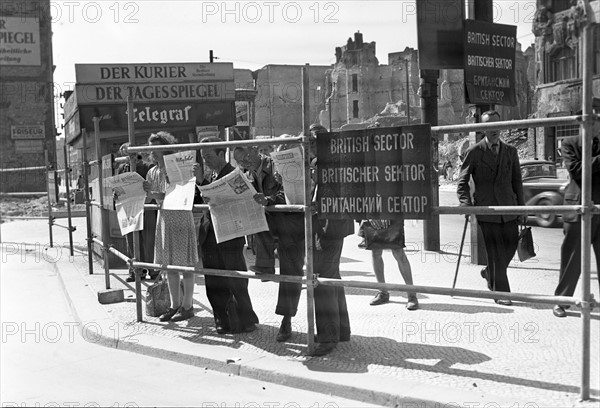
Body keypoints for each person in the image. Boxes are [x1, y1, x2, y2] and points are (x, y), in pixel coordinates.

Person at [234, 145, 305, 342]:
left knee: (291, 273)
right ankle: (265, 264)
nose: (245, 163)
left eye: (247, 156)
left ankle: (286, 319)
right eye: (240, 161)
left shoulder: (275, 165)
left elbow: (292, 192)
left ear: (256, 149)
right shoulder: (249, 173)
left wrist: (269, 200)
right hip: (270, 226)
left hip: (291, 225)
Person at [457, 110, 526, 306]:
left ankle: (489, 272)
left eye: (497, 125)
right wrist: (466, 206)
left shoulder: (511, 151)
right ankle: (502, 294)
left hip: (508, 209)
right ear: (483, 129)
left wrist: (521, 210)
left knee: (511, 246)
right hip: (487, 211)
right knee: (495, 252)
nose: (494, 129)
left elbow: (517, 182)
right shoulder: (475, 152)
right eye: (489, 126)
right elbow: (462, 182)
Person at [199, 136, 259, 334]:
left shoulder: (232, 174)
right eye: (202, 156)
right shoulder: (213, 176)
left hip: (230, 234)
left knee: (236, 278)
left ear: (221, 153)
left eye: (208, 156)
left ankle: (246, 318)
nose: (205, 160)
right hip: (209, 233)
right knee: (213, 280)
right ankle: (222, 319)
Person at [142, 132, 202, 322]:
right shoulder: (152, 171)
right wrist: (142, 190)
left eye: (157, 147)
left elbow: (176, 193)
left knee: (185, 265)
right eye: (152, 148)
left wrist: (153, 193)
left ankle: (187, 305)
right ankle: (174, 305)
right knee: (169, 266)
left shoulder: (176, 166)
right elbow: (151, 197)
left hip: (180, 215)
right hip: (165, 217)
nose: (154, 152)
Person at [309, 124, 353, 356]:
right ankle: (341, 330)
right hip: (324, 225)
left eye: (315, 141)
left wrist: (320, 186)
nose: (312, 146)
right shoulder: (316, 164)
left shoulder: (338, 162)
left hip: (332, 226)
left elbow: (347, 195)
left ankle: (328, 337)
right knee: (332, 277)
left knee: (323, 281)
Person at [553, 110, 600, 318]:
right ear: (581, 122)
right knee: (572, 258)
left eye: (597, 120)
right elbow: (577, 170)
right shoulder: (569, 143)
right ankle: (561, 302)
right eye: (590, 120)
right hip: (578, 207)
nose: (594, 124)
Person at [116, 142, 158, 282]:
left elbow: (155, 187)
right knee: (131, 239)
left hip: (146, 207)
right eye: (126, 155)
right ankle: (135, 271)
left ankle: (152, 270)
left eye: (132, 155)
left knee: (149, 239)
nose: (130, 158)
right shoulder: (122, 169)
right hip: (129, 207)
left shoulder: (148, 167)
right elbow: (117, 187)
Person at [359, 218, 419, 310]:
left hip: (393, 212)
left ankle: (411, 295)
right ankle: (382, 291)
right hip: (373, 213)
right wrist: (369, 215)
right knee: (375, 251)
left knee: (398, 252)